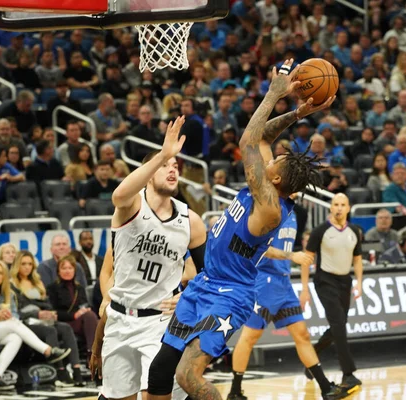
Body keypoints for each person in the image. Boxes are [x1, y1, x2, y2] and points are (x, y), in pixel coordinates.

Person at [146, 60, 344, 400]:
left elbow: (249, 140)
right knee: (161, 369)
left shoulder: (268, 206)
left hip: (229, 295)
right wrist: (297, 113)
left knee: (187, 376)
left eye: (273, 162)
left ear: (277, 179)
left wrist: (273, 94)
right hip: (205, 284)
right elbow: (264, 136)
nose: (267, 160)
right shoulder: (268, 185)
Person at [89, 116, 208, 400]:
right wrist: (163, 154)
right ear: (148, 172)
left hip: (160, 323)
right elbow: (118, 195)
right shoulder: (131, 206)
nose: (172, 169)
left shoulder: (192, 221)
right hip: (119, 318)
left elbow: (208, 274)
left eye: (175, 166)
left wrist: (188, 295)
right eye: (165, 165)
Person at [228, 212, 336, 400]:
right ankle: (235, 391)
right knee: (250, 337)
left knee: (302, 334)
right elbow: (259, 247)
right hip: (265, 281)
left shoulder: (294, 213)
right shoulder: (271, 210)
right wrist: (292, 255)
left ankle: (326, 387)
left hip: (284, 283)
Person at [0, 261, 70, 391]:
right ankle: (48, 351)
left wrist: (9, 316)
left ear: (4, 277)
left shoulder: (8, 294)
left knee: (16, 338)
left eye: (0, 273)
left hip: (2, 329)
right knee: (13, 324)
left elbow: (16, 316)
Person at [303, 193, 363, 396]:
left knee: (338, 326)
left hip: (345, 281)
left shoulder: (354, 231)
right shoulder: (320, 231)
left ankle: (313, 355)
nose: (339, 208)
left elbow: (357, 259)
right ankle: (348, 374)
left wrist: (359, 284)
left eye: (342, 205)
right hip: (325, 281)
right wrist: (304, 289)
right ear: (330, 207)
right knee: (338, 324)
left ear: (348, 208)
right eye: (335, 204)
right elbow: (307, 259)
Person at [10, 251, 84, 386]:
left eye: (30, 264)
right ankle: (61, 373)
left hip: (44, 320)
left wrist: (50, 312)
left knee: (66, 328)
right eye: (23, 264)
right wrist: (37, 313)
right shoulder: (12, 285)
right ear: (17, 265)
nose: (27, 267)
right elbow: (16, 311)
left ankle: (77, 372)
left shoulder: (37, 282)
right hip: (25, 323)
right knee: (50, 331)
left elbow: (48, 304)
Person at [48, 256, 99, 360]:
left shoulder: (79, 288)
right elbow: (52, 312)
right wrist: (74, 315)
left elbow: (85, 304)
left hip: (82, 321)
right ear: (58, 271)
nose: (67, 271)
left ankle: (96, 353)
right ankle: (93, 354)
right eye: (64, 268)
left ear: (75, 271)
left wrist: (86, 309)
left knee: (94, 318)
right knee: (90, 317)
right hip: (64, 322)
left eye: (70, 268)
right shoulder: (52, 288)